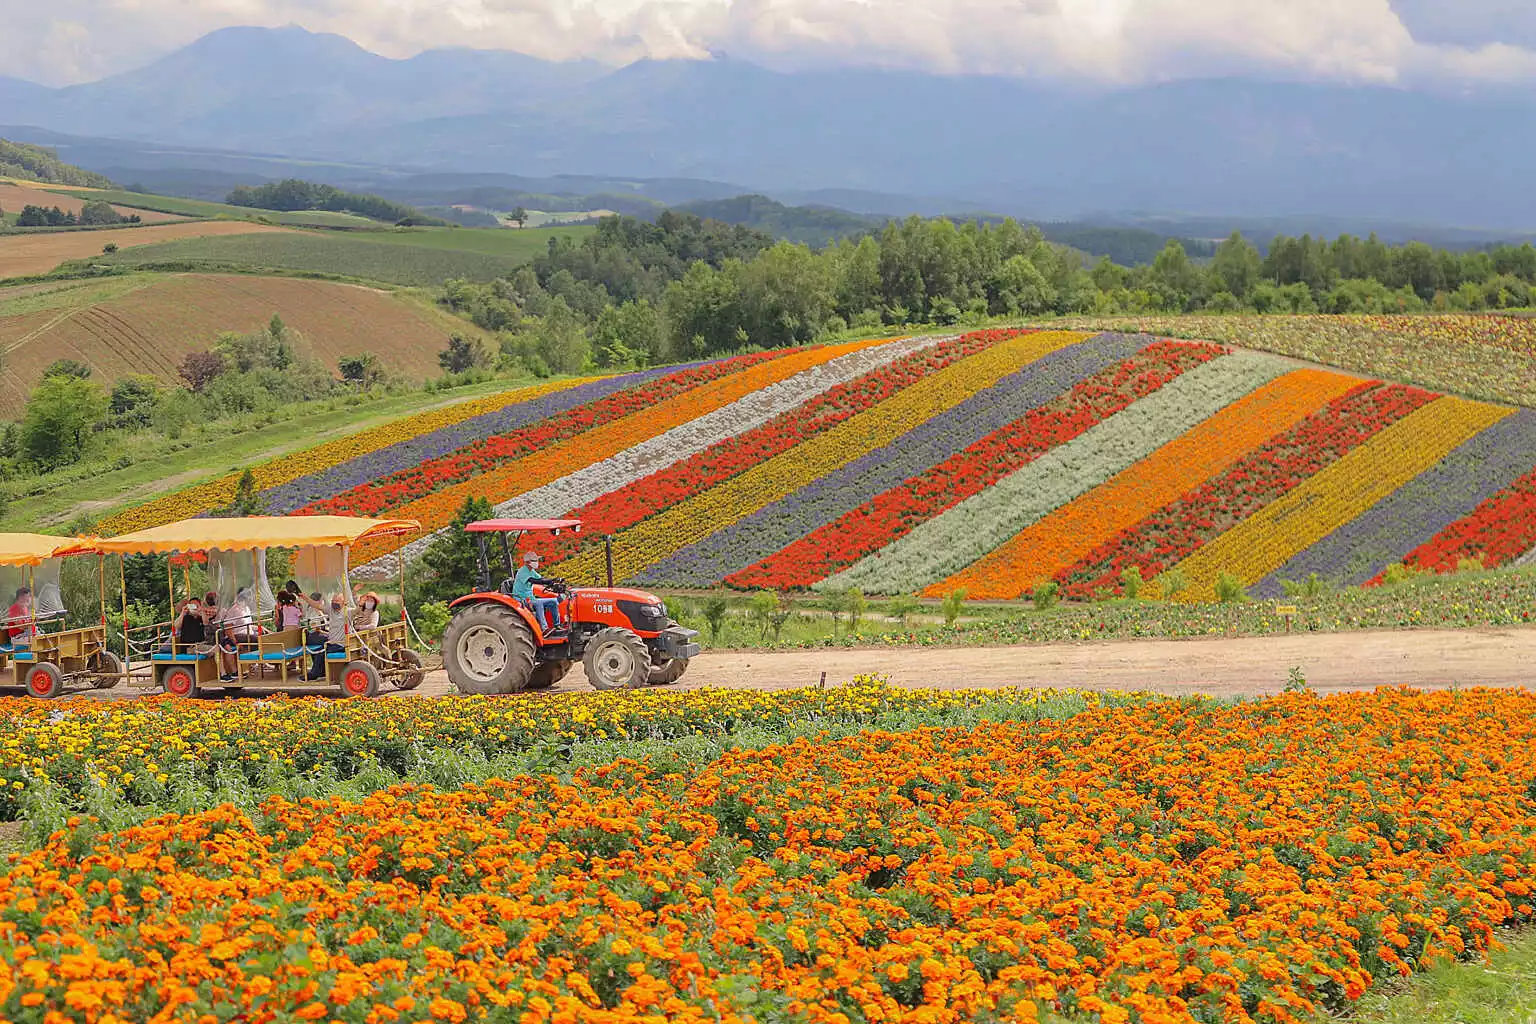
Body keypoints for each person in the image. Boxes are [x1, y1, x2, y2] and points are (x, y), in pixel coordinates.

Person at [295, 591, 349, 681]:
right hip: (318, 636)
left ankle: (316, 673)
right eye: (333, 600)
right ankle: (320, 671)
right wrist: (304, 597)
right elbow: (316, 607)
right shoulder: (329, 611)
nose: (334, 603)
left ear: (344, 602)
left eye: (337, 601)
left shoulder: (347, 612)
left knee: (321, 650)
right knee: (321, 648)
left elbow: (358, 610)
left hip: (339, 642)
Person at [512, 552, 563, 633]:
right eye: (534, 561)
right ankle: (544, 629)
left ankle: (557, 625)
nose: (536, 562)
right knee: (538, 603)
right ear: (527, 562)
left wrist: (553, 581)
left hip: (531, 598)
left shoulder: (531, 571)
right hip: (521, 600)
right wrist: (550, 581)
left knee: (553, 601)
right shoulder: (522, 572)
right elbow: (535, 580)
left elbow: (541, 578)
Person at [214, 587, 256, 682]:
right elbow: (228, 628)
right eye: (249, 595)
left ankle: (254, 664)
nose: (251, 598)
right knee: (257, 640)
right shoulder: (235, 610)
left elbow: (249, 625)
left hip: (248, 634)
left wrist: (265, 630)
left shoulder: (246, 609)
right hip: (238, 636)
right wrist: (235, 641)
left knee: (265, 636)